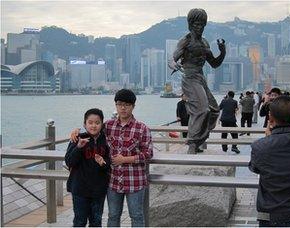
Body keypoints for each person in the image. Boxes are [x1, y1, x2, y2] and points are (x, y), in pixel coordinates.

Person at [70, 89, 153, 227]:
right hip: (113, 181)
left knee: (137, 216)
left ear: (133, 106)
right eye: (120, 104)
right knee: (113, 216)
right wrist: (76, 131)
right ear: (116, 105)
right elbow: (92, 128)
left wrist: (125, 159)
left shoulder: (142, 128)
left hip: (135, 181)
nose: (123, 107)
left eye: (127, 104)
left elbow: (148, 154)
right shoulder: (108, 125)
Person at [168, 8, 226, 154]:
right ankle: (193, 143)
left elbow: (214, 63)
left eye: (202, 24)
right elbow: (172, 58)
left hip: (200, 78)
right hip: (189, 78)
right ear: (190, 25)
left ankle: (200, 139)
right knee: (202, 109)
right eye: (196, 24)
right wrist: (175, 64)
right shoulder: (186, 41)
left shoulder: (205, 43)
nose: (199, 27)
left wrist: (223, 52)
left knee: (214, 110)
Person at [249, 96, 290, 227]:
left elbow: (255, 168)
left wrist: (269, 139)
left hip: (270, 216)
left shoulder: (259, 146)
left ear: (270, 118)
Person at [65, 108, 110, 227]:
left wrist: (103, 163)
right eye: (90, 122)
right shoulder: (77, 138)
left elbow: (110, 164)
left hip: (98, 190)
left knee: (96, 222)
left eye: (97, 122)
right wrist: (78, 148)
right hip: (80, 189)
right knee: (79, 221)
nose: (93, 126)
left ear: (102, 124)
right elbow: (69, 162)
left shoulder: (106, 141)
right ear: (84, 124)